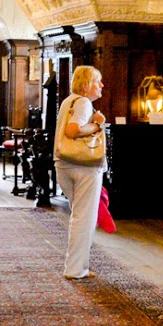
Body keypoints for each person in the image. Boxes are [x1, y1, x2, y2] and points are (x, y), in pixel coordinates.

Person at [54, 64, 106, 280]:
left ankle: (79, 266)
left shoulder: (69, 101)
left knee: (80, 215)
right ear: (86, 85)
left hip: (64, 164)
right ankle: (76, 269)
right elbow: (72, 130)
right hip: (83, 167)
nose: (101, 85)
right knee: (84, 218)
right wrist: (96, 125)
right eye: (97, 81)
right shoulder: (84, 102)